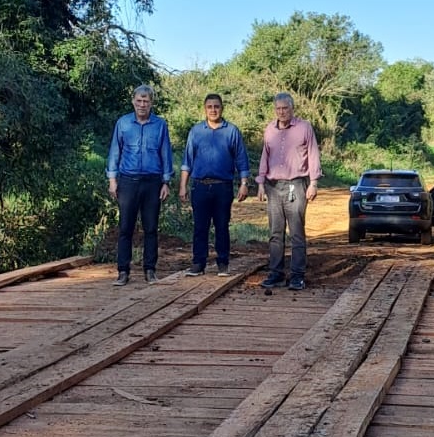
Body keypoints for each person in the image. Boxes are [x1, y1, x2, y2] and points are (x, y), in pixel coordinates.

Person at [106, 84, 173, 284]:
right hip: (128, 181)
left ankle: (150, 270)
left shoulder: (160, 125)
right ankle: (123, 271)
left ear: (151, 103)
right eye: (139, 100)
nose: (142, 104)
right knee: (126, 227)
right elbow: (115, 151)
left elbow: (165, 153)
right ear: (133, 101)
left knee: (151, 227)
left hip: (152, 182)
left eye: (146, 101)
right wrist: (112, 180)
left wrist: (166, 182)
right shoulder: (123, 123)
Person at [178, 93, 250, 275]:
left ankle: (223, 263)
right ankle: (198, 264)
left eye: (216, 106)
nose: (213, 110)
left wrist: (243, 183)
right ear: (205, 109)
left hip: (222, 186)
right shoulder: (196, 131)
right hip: (200, 185)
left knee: (222, 225)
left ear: (222, 108)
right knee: (200, 226)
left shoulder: (231, 131)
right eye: (209, 107)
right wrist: (182, 186)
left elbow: (241, 158)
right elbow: (187, 160)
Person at [256, 92, 321, 291]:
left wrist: (314, 182)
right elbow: (265, 156)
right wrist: (260, 182)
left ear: (292, 109)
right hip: (273, 186)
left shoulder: (304, 128)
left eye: (285, 108)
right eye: (278, 108)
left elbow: (313, 153)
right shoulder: (269, 129)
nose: (282, 112)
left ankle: (297, 276)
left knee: (296, 232)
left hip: (296, 184)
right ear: (274, 110)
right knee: (275, 232)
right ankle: (275, 273)